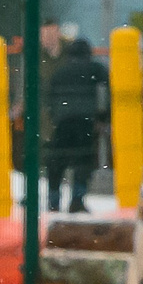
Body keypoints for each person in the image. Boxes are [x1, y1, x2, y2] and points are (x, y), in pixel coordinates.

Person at [43, 34, 105, 213]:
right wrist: (102, 119)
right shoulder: (96, 69)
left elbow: (50, 99)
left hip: (63, 122)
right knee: (83, 160)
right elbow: (105, 92)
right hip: (86, 121)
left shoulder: (59, 72)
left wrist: (56, 117)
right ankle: (77, 200)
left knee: (57, 160)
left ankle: (54, 201)